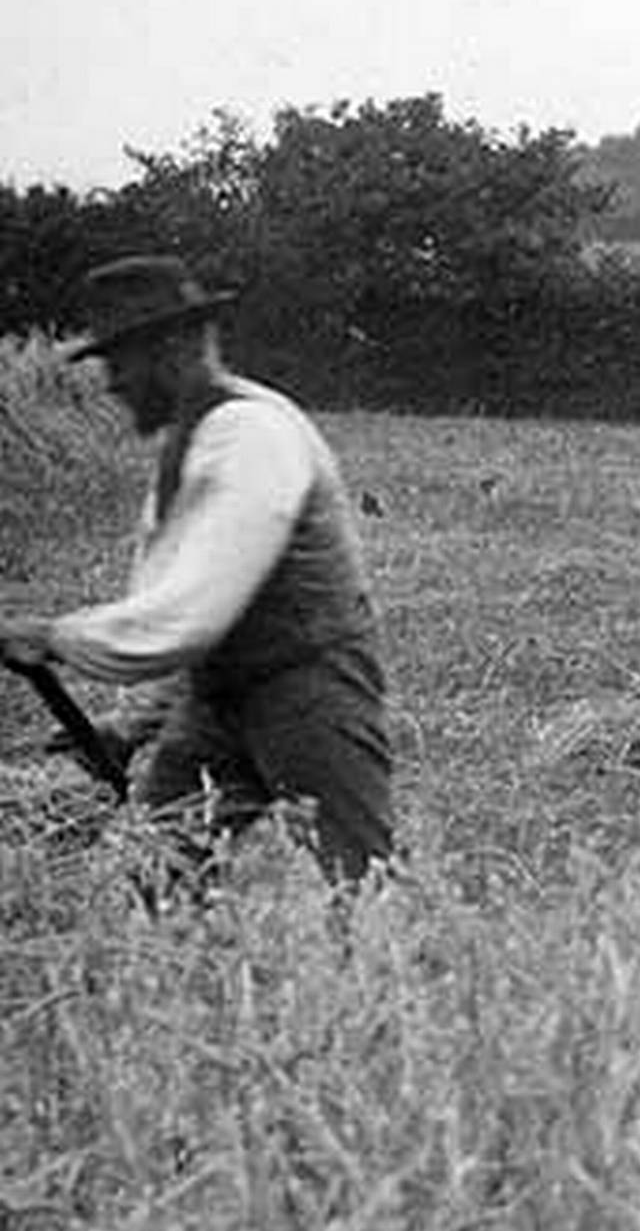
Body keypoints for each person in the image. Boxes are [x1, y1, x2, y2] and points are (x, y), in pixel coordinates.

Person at [0, 257, 397, 887]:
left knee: (364, 889)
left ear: (171, 347)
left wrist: (55, 637)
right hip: (215, 700)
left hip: (311, 689)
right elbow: (175, 606)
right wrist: (130, 728)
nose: (110, 383)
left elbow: (187, 615)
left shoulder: (251, 436)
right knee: (156, 885)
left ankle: (407, 982)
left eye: (118, 361)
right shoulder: (186, 445)